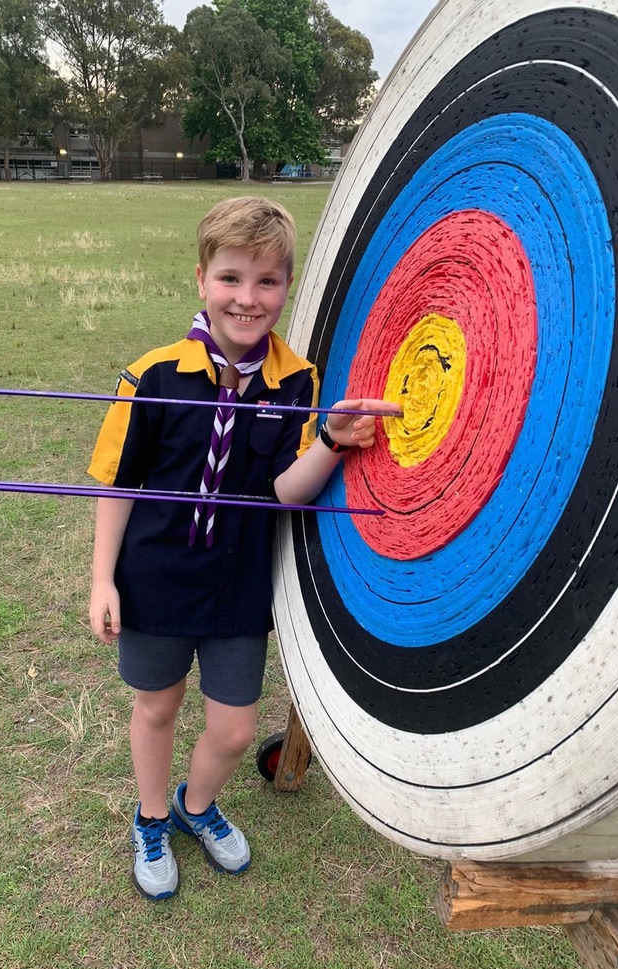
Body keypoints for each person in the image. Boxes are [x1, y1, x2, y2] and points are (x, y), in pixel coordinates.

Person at [88, 196, 400, 900]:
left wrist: (331, 440)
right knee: (157, 708)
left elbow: (286, 491)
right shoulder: (151, 376)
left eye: (267, 281)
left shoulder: (299, 381)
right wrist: (102, 579)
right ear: (202, 278)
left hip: (238, 587)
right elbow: (118, 483)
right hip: (156, 578)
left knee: (232, 732)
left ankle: (194, 807)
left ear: (287, 287)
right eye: (230, 277)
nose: (247, 298)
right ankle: (149, 819)